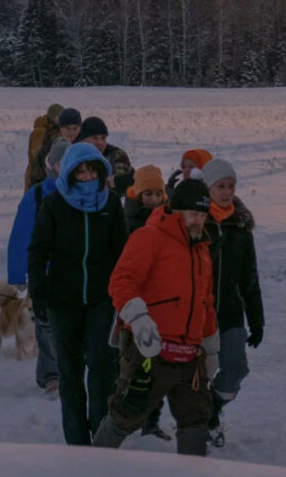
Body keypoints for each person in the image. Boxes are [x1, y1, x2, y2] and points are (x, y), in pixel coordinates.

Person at [92, 178, 219, 456]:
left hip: (189, 355)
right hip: (148, 350)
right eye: (193, 214)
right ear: (175, 211)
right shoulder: (149, 237)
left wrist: (210, 344)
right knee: (127, 413)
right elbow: (121, 281)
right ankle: (91, 465)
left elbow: (205, 302)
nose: (199, 221)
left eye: (202, 215)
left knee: (196, 417)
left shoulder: (202, 250)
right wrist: (138, 318)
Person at [28, 142, 128, 445]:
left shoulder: (110, 203)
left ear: (100, 170)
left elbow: (122, 253)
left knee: (102, 367)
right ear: (69, 174)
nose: (86, 176)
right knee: (70, 372)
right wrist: (38, 293)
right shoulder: (55, 204)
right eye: (79, 171)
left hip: (101, 298)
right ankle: (76, 440)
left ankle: (100, 432)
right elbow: (38, 251)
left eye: (91, 170)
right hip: (63, 299)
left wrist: (124, 295)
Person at [199, 159, 264, 448]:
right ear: (208, 188)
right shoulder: (197, 223)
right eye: (220, 186)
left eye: (231, 186)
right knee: (199, 375)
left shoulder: (240, 226)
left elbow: (250, 277)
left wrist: (257, 320)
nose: (226, 192)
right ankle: (198, 423)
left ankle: (211, 410)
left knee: (236, 368)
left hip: (231, 313)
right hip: (198, 315)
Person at [7, 137, 70, 395]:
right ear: (52, 165)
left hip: (73, 271)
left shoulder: (81, 194)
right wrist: (17, 273)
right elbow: (21, 234)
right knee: (45, 324)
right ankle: (50, 375)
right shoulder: (37, 195)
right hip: (42, 271)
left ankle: (69, 370)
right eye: (61, 163)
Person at [121, 164, 171, 440]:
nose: (153, 199)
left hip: (163, 303)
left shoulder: (169, 219)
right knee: (136, 366)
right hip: (135, 304)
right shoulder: (129, 220)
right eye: (147, 194)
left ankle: (152, 421)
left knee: (159, 364)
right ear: (138, 194)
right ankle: (123, 421)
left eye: (157, 193)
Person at [76, 116, 134, 197]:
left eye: (103, 138)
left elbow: (134, 182)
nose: (100, 143)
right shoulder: (73, 157)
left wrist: (115, 181)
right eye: (94, 138)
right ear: (83, 140)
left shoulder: (117, 155)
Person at [29, 107, 80, 189]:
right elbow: (36, 179)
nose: (71, 132)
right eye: (67, 128)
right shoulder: (47, 149)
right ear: (60, 128)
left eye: (75, 128)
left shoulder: (85, 148)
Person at [24, 103, 64, 189]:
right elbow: (36, 155)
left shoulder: (56, 129)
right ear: (51, 116)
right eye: (57, 115)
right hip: (37, 175)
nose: (60, 118)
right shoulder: (40, 132)